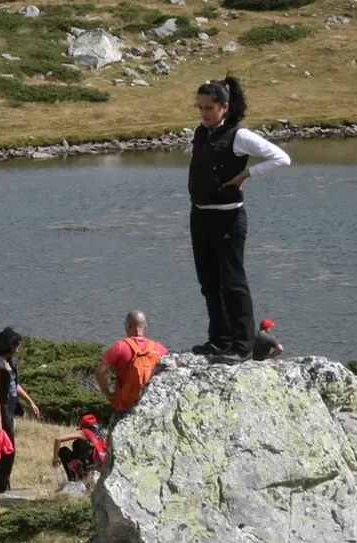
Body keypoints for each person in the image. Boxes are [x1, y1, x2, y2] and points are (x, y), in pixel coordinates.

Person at [187, 76, 291, 360]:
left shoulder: (239, 135)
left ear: (224, 106)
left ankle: (242, 346)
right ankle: (218, 340)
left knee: (233, 283)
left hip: (228, 219)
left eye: (209, 108)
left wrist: (247, 174)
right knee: (208, 283)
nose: (204, 113)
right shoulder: (199, 132)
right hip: (200, 216)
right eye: (200, 108)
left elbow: (282, 158)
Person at [0, 327, 40, 495]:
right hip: (2, 411)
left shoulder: (9, 364)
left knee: (7, 450)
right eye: (17, 344)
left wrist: (30, 402)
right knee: (8, 450)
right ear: (9, 345)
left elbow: (14, 385)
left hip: (10, 407)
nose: (19, 347)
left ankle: (3, 486)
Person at [96, 310, 169, 415]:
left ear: (127, 326)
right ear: (145, 327)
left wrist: (107, 394)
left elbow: (100, 372)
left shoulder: (119, 347)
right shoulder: (160, 349)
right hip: (152, 406)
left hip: (124, 406)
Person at [51, 413, 108, 483]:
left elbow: (58, 439)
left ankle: (73, 479)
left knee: (64, 450)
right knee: (78, 443)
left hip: (87, 470)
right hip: (104, 469)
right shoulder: (103, 434)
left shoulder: (84, 432)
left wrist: (55, 459)